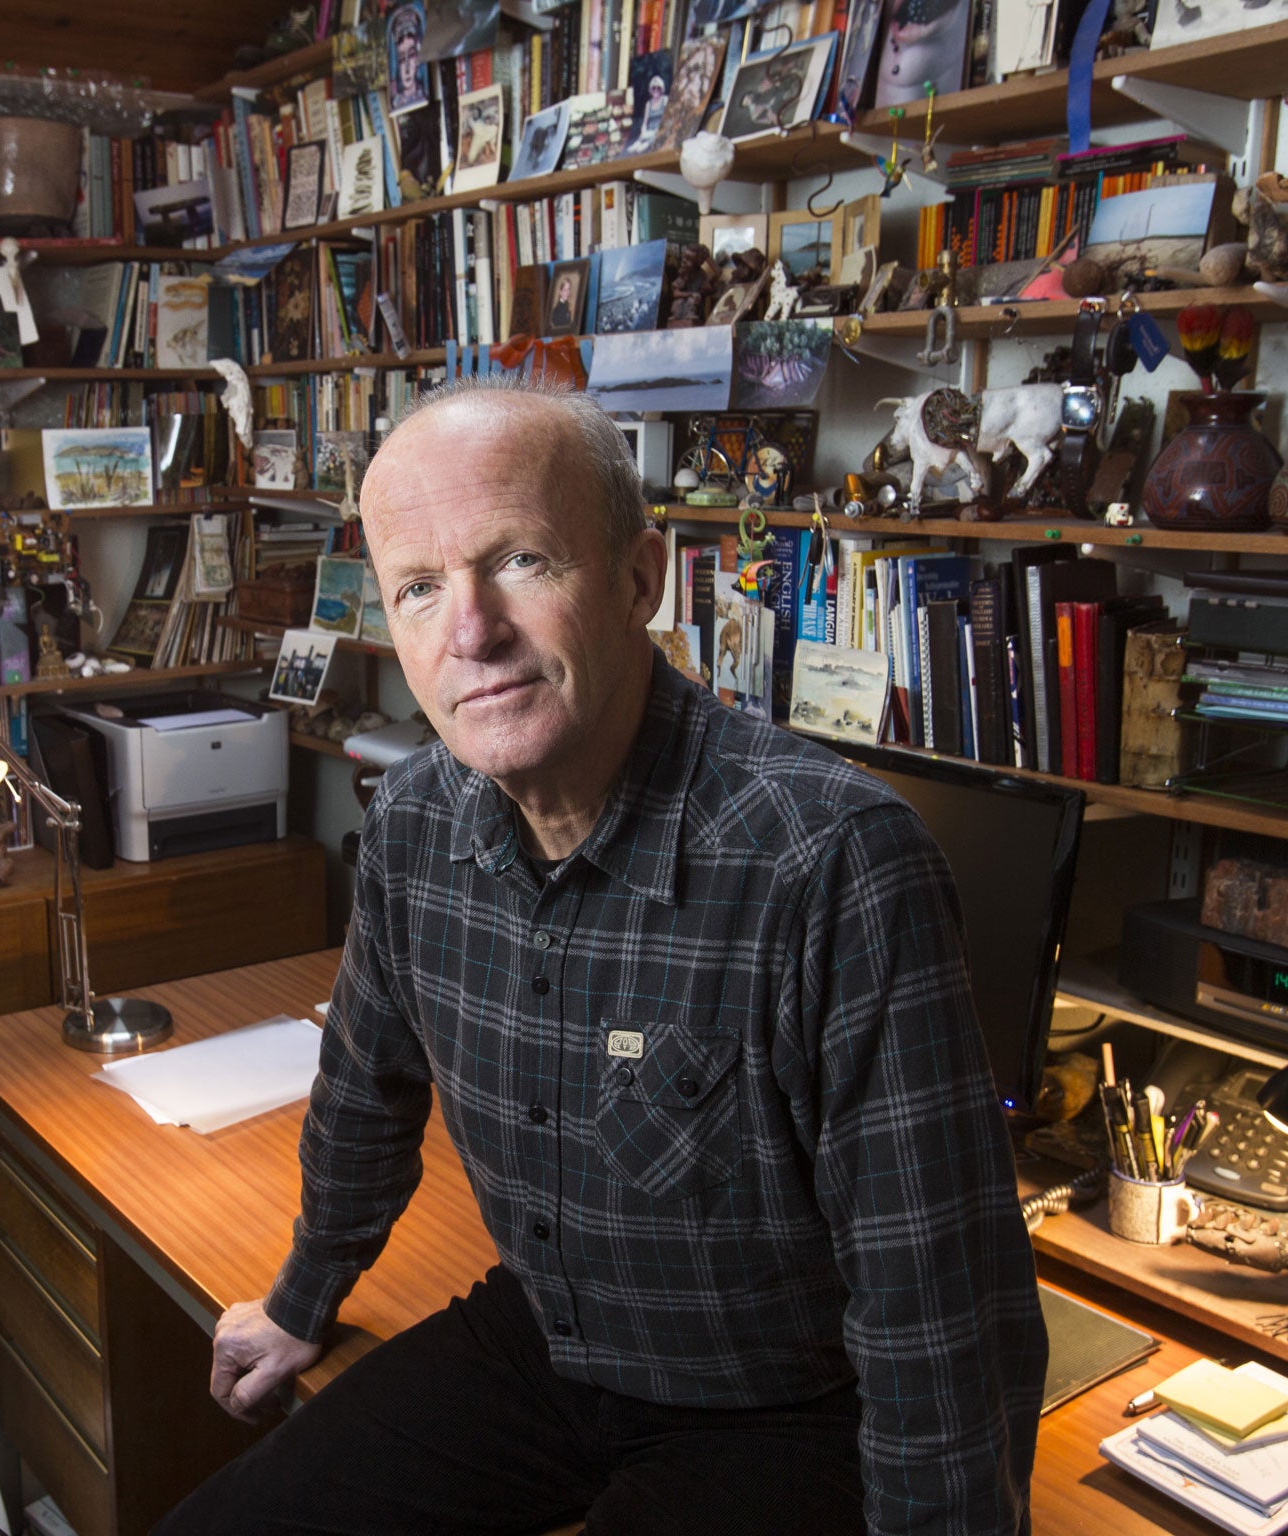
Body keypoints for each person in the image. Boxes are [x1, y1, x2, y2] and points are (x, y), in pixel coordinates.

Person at [157, 377, 1044, 1536]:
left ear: (638, 580)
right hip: (544, 1336)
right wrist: (297, 1302)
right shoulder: (417, 822)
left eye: (519, 561)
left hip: (776, 1404)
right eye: (418, 589)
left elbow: (937, 1304)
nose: (468, 632)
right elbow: (364, 1094)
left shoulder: (831, 863)